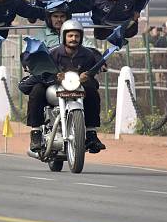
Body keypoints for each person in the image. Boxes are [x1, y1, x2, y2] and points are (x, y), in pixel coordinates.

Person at [21, 20, 106, 154]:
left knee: (92, 90)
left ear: (81, 37)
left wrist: (89, 74)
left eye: (77, 36)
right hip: (53, 87)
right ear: (63, 36)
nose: (74, 39)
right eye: (70, 36)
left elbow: (94, 69)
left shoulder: (88, 54)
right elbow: (41, 72)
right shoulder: (52, 53)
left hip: (77, 86)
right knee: (37, 90)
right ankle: (35, 133)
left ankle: (91, 133)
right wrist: (54, 77)